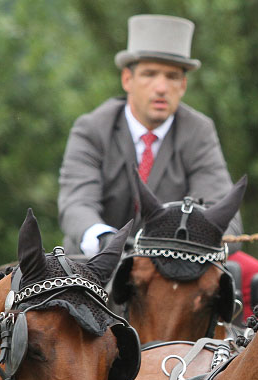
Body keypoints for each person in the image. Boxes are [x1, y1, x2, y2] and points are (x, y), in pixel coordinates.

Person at [57, 14, 244, 258]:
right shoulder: (91, 129)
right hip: (93, 267)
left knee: (251, 271)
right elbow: (76, 205)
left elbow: (225, 218)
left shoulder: (199, 132)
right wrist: (104, 238)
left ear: (183, 85)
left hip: (173, 271)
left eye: (172, 76)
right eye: (150, 74)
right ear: (127, 79)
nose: (161, 87)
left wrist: (182, 242)